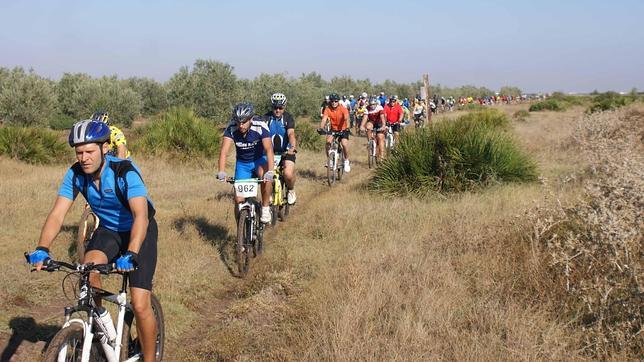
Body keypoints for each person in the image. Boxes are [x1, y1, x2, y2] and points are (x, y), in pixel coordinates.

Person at [26, 119, 158, 361]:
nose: (84, 158)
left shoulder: (124, 171)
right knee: (88, 270)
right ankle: (100, 331)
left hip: (140, 231)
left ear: (105, 148)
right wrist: (42, 248)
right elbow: (57, 214)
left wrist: (131, 253)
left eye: (89, 151)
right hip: (108, 230)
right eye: (79, 152)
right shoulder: (75, 174)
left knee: (139, 303)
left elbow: (141, 215)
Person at [217, 103, 275, 224]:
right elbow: (223, 152)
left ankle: (265, 207)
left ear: (251, 119)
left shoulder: (260, 125)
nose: (241, 125)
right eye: (238, 122)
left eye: (244, 122)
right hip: (243, 164)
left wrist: (270, 171)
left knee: (266, 179)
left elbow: (269, 149)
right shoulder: (232, 128)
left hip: (259, 160)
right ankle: (241, 228)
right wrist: (221, 171)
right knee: (238, 200)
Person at [263, 93, 297, 205]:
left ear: (284, 107)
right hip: (270, 152)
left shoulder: (288, 118)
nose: (277, 110)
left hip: (286, 151)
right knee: (266, 175)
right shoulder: (266, 118)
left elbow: (291, 133)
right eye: (275, 108)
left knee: (288, 174)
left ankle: (291, 190)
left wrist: (292, 146)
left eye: (280, 108)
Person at [319, 93, 351, 172]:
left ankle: (346, 161)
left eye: (336, 101)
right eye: (332, 101)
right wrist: (321, 128)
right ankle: (330, 160)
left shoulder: (343, 108)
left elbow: (347, 118)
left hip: (343, 129)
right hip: (333, 129)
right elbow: (324, 119)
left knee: (344, 144)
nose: (334, 103)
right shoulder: (327, 109)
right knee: (328, 143)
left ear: (338, 101)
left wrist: (347, 127)